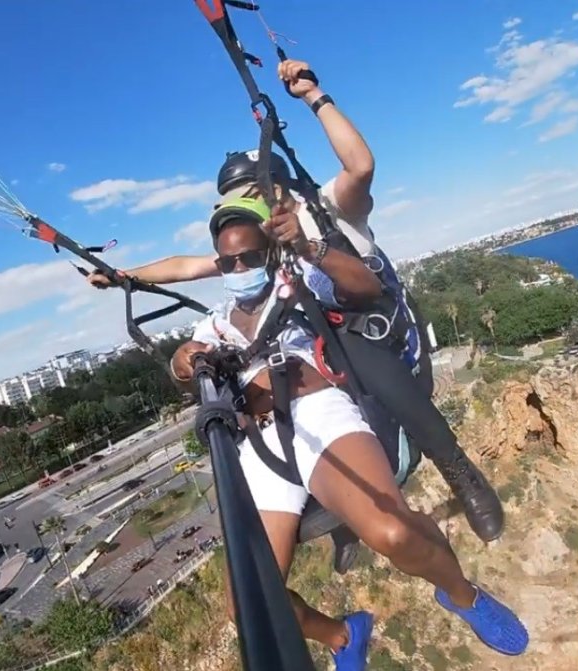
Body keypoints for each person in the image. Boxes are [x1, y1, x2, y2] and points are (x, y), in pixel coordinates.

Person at [89, 57, 503, 543]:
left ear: (275, 186)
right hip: (314, 333)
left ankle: (458, 469)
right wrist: (124, 276)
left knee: (363, 360)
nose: (239, 208)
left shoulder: (329, 208)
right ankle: (334, 514)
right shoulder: (260, 243)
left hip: (369, 321)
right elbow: (188, 266)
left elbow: (361, 166)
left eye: (246, 193)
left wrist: (312, 96)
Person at [171, 197, 527, 669]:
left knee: (394, 532)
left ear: (268, 255)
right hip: (261, 444)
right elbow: (182, 367)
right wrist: (184, 360)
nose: (239, 267)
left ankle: (463, 595)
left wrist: (307, 246)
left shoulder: (295, 284)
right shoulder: (213, 325)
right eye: (228, 261)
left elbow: (364, 286)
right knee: (249, 606)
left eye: (249, 257)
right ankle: (341, 636)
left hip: (318, 415)